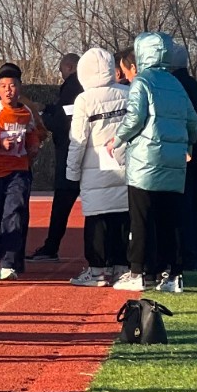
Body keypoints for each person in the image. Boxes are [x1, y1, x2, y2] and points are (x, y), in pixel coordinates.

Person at [111, 32, 197, 293]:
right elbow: (192, 121)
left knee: (140, 218)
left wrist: (117, 139)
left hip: (145, 161)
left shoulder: (142, 82)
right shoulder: (176, 84)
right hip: (173, 162)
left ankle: (138, 271)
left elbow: (135, 118)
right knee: (169, 220)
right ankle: (171, 274)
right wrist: (188, 145)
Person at [64, 47, 130, 286]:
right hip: (125, 163)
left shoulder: (84, 99)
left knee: (97, 218)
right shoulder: (128, 92)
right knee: (123, 217)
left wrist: (71, 172)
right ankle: (121, 267)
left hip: (95, 169)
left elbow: (78, 139)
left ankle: (97, 270)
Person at [0, 63, 46, 281]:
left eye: (13, 85)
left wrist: (33, 145)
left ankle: (8, 264)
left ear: (19, 88)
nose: (9, 90)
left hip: (18, 170)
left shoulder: (26, 112)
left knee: (15, 212)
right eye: (4, 86)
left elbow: (33, 133)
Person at [30, 52, 82, 261]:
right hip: (81, 152)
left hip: (71, 152)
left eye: (61, 70)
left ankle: (52, 246)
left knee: (63, 199)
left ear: (69, 67)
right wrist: (49, 108)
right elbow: (65, 112)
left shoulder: (73, 84)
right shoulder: (85, 87)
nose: (61, 75)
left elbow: (64, 120)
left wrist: (42, 118)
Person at [167, 41, 197, 282]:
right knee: (194, 208)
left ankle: (183, 255)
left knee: (181, 210)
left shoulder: (175, 87)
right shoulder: (195, 86)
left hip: (184, 154)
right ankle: (192, 255)